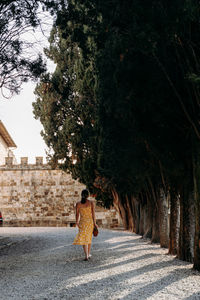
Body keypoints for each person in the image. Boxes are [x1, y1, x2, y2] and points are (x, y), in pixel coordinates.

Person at [73, 189, 98, 261]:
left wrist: (76, 222)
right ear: (88, 195)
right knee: (88, 238)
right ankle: (88, 254)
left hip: (82, 222)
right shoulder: (91, 203)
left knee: (84, 239)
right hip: (90, 222)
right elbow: (93, 214)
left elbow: (77, 214)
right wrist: (95, 223)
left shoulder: (78, 204)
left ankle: (86, 255)